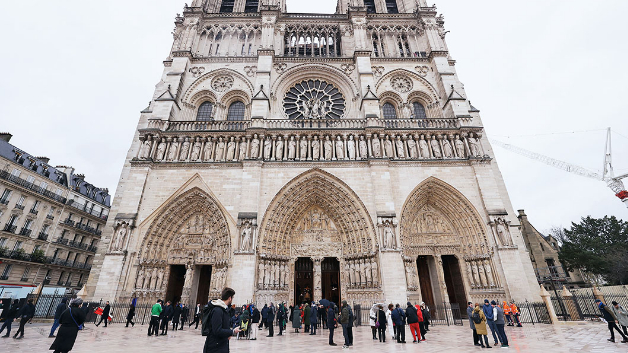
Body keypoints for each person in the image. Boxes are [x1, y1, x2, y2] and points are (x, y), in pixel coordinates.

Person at [203, 287, 241, 353]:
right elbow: (217, 330)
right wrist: (232, 331)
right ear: (229, 298)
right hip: (215, 347)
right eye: (232, 298)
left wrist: (227, 334)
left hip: (221, 345)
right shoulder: (217, 310)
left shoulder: (224, 310)